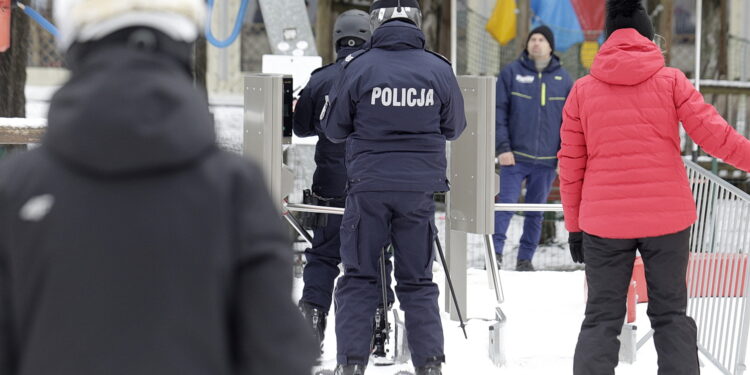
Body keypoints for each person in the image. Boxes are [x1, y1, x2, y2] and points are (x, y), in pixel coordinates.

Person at [0, 1, 318, 374]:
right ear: (184, 42)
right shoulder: (235, 190)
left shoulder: (17, 189)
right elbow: (277, 354)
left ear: (75, 44)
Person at [558, 0, 750, 374]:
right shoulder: (672, 80)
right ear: (648, 34)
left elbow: (570, 164)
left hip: (604, 221)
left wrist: (574, 226)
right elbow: (715, 136)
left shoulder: (582, 90)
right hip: (667, 219)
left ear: (606, 38)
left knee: (601, 317)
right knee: (671, 314)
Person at [321, 1, 466, 373]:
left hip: (368, 188)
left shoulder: (359, 67)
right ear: (416, 20)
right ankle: (430, 364)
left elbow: (334, 129)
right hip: (417, 191)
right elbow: (455, 127)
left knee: (358, 276)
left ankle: (351, 364)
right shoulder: (438, 68)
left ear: (376, 21)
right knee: (417, 280)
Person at [293, 9, 394, 357]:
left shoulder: (322, 78)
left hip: (330, 188)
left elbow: (301, 127)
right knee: (377, 254)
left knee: (322, 257)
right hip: (374, 185)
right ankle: (378, 327)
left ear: (336, 38)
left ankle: (312, 327)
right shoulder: (381, 75)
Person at [493, 25, 573, 271]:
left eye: (541, 40)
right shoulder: (511, 74)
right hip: (514, 158)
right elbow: (499, 113)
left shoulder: (564, 79)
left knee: (535, 212)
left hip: (548, 161)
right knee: (505, 206)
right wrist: (502, 148)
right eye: (532, 39)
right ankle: (494, 254)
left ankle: (525, 259)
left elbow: (571, 122)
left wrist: (564, 155)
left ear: (550, 46)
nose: (536, 43)